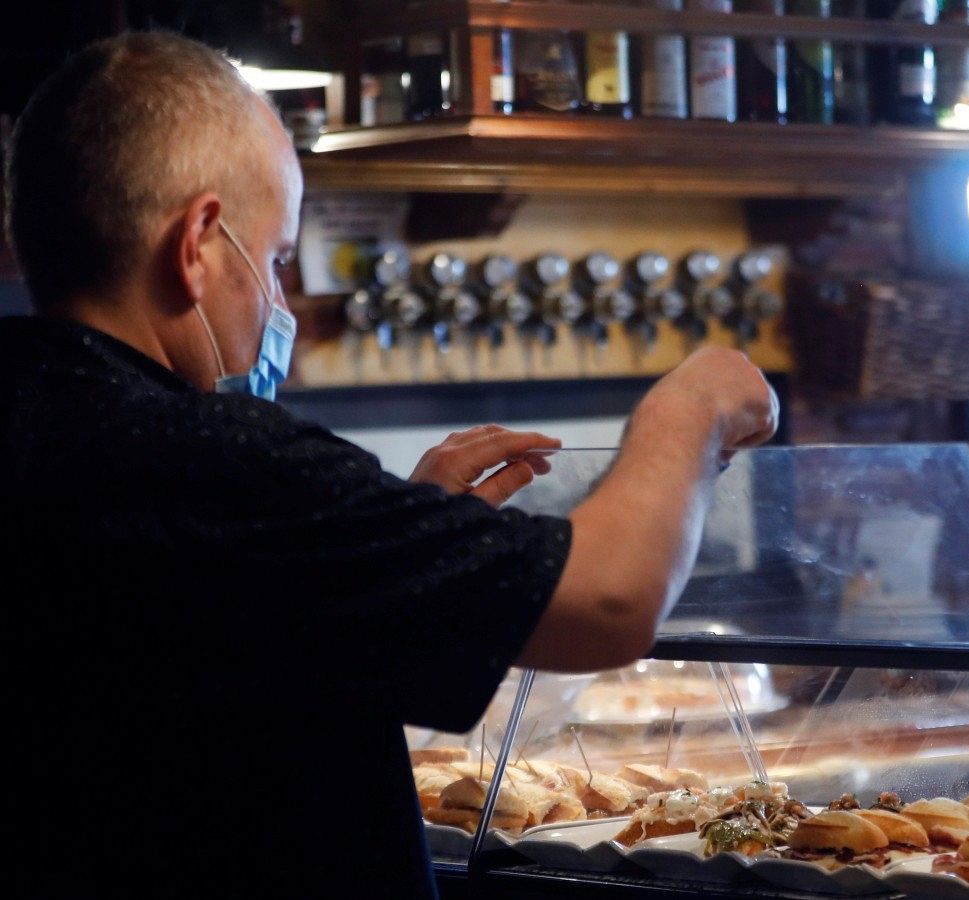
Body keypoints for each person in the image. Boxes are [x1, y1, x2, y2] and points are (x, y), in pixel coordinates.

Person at [1, 33, 777, 896]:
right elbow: (611, 599)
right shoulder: (212, 461)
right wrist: (690, 411)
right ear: (198, 243)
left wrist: (392, 540)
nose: (282, 303)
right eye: (280, 259)